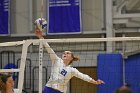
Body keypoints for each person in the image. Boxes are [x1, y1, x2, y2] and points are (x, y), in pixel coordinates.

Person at [35, 29, 105, 93]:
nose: (65, 53)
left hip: (60, 91)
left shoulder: (72, 70)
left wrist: (95, 82)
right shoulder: (56, 60)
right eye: (64, 53)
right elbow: (48, 48)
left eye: (67, 53)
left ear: (71, 58)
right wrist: (41, 37)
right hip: (49, 89)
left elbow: (83, 76)